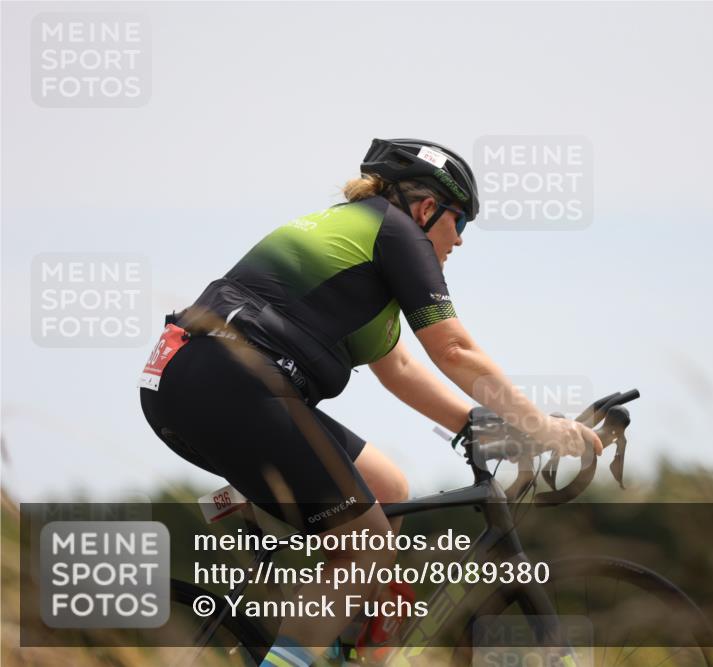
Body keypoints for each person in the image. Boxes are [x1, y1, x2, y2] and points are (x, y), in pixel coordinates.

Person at [138, 138, 602, 667]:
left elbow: (398, 368)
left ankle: (342, 651)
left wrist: (481, 425)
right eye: (460, 222)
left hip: (187, 379)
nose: (459, 240)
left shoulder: (357, 247)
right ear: (427, 209)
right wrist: (541, 427)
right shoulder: (397, 232)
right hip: (230, 383)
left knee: (387, 487)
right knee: (367, 545)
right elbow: (453, 349)